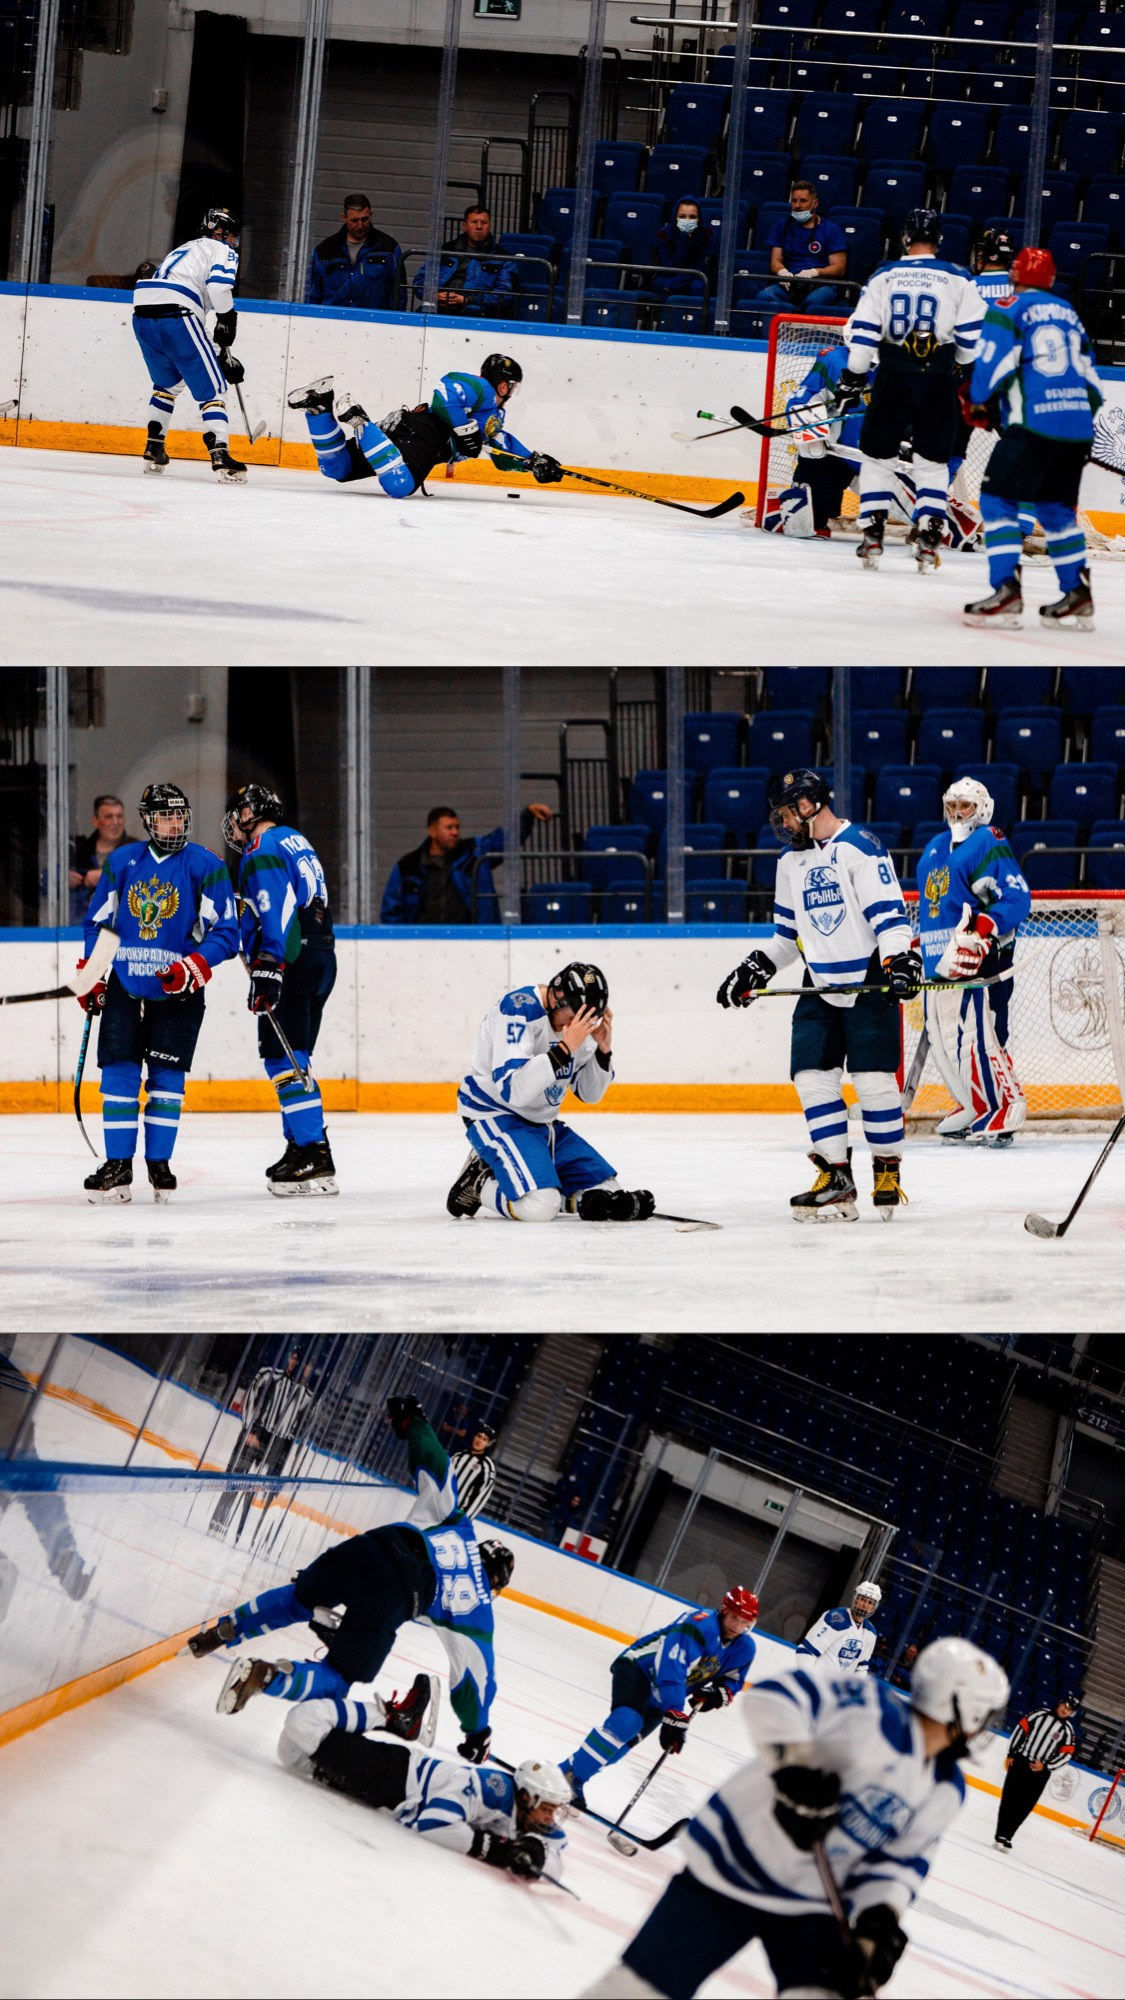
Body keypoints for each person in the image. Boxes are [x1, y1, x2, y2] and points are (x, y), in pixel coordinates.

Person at [581, 1636, 1010, 2000]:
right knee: (637, 1991)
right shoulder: (866, 1707)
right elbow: (773, 1696)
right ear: (962, 1708)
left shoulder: (945, 1787)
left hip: (811, 1902)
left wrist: (880, 1919)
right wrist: (794, 1768)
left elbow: (901, 1861)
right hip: (729, 1872)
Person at [191, 1395, 513, 1766]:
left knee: (299, 1599)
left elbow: (436, 1466)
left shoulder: (457, 1523)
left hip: (372, 1546)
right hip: (399, 1592)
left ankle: (224, 1630)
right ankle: (267, 1678)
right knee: (339, 1676)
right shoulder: (478, 1609)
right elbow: (473, 1680)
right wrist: (478, 1732)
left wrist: (415, 1424)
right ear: (494, 1581)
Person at [716, 769, 921, 1221]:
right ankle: (836, 1175)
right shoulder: (789, 864)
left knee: (872, 1083)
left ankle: (887, 1168)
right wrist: (755, 966)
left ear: (810, 804)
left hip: (869, 976)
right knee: (811, 1076)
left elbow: (890, 918)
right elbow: (787, 938)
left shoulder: (860, 847)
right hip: (820, 980)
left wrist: (900, 960)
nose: (784, 822)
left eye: (788, 812)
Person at [78, 783, 239, 1203]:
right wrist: (94, 974)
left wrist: (194, 966)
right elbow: (98, 923)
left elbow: (226, 931)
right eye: (165, 816)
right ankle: (118, 1167)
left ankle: (159, 1164)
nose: (174, 823)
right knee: (118, 1075)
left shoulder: (206, 864)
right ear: (148, 820)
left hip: (180, 990)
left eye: (179, 815)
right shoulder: (123, 861)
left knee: (167, 1078)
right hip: (126, 987)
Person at [445, 960, 655, 1225]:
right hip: (497, 1114)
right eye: (576, 1014)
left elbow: (589, 1094)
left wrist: (603, 1049)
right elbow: (513, 1091)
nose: (580, 1023)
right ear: (557, 996)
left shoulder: (579, 1021)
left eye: (589, 1017)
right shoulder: (519, 1009)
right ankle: (480, 1182)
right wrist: (566, 1047)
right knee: (541, 1207)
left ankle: (559, 1191)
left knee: (608, 1194)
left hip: (543, 1124)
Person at [962, 245, 1105, 633]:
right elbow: (1093, 382)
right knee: (1057, 510)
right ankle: (1078, 592)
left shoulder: (1008, 307)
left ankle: (1006, 588)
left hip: (1033, 424)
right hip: (1078, 426)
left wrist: (977, 403)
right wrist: (1074, 421)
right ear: (1053, 280)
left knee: (996, 499)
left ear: (1014, 276)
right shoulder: (1070, 314)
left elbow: (993, 364)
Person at [838, 208, 985, 571]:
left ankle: (873, 529)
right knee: (933, 461)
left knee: (877, 456)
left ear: (905, 237)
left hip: (893, 375)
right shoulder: (958, 278)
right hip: (937, 378)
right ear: (939, 239)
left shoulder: (884, 275)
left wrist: (853, 378)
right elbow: (970, 341)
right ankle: (930, 528)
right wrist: (958, 367)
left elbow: (864, 336)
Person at [278, 1701, 570, 1883]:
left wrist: (539, 1856)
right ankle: (391, 1718)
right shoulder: (492, 1789)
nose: (551, 1816)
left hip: (385, 1792)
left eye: (555, 1808)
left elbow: (557, 1853)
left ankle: (332, 1747)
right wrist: (499, 1851)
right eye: (547, 1806)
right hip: (391, 1773)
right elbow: (435, 1823)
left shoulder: (537, 1819)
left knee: (293, 1758)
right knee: (303, 1720)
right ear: (525, 1797)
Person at [222, 782, 338, 1194]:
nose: (234, 824)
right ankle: (298, 1146)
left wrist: (269, 965)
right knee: (297, 1055)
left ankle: (314, 1154)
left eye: (238, 813)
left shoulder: (261, 849)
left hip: (289, 959)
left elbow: (278, 906)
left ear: (251, 813)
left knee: (281, 1059)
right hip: (320, 956)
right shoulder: (294, 839)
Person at [560, 1587, 759, 1809]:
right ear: (724, 1610)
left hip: (667, 1694)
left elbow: (733, 1679)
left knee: (622, 1745)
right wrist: (675, 1710)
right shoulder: (700, 1624)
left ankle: (564, 1774)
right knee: (626, 1723)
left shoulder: (745, 1647)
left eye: (745, 1623)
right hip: (640, 1668)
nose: (737, 1626)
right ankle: (567, 1780)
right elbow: (672, 1666)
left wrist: (718, 1694)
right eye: (734, 1617)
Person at [914, 776, 1031, 1146]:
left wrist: (982, 929)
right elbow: (938, 906)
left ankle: (1005, 1105)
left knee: (984, 1033)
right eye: (952, 805)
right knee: (949, 1039)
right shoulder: (935, 846)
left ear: (982, 808)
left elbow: (1016, 898)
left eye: (965, 805)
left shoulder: (988, 840)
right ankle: (974, 1103)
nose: (957, 812)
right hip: (942, 961)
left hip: (982, 961)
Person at [286, 353, 564, 499]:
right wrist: (463, 430)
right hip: (425, 433)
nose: (512, 392)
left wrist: (532, 463)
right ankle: (360, 422)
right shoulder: (484, 390)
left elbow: (501, 449)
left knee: (338, 467)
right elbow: (444, 392)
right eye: (512, 386)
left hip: (405, 431)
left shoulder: (491, 414)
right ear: (504, 383)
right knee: (399, 486)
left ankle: (319, 407)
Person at [131, 206, 247, 483]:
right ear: (219, 231)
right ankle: (220, 454)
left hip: (143, 314)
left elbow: (191, 327)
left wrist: (219, 352)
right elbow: (219, 288)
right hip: (177, 314)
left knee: (167, 385)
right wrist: (227, 318)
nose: (233, 242)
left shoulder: (183, 250)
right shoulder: (221, 250)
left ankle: (154, 446)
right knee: (215, 389)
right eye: (230, 235)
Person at [0, 1341, 93, 1619]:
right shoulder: (15, 1392)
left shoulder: (12, 1394)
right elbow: (38, 1489)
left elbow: (35, 1485)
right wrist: (66, 1558)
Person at [380, 801, 554, 925]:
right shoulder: (408, 866)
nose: (456, 832)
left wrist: (527, 814)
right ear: (432, 831)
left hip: (471, 941)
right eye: (449, 827)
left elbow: (504, 839)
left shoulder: (474, 852)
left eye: (457, 827)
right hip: (423, 944)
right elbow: (392, 912)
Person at [209, 1345, 307, 1539]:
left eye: (298, 1360)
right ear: (287, 1357)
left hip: (270, 1440)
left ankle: (236, 1531)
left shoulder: (298, 1391)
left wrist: (290, 1452)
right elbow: (251, 1397)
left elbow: (294, 1425)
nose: (294, 1363)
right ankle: (217, 1522)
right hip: (256, 1432)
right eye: (292, 1358)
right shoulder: (268, 1374)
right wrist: (249, 1429)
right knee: (236, 1478)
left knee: (252, 1486)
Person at [994, 1694, 1079, 1850]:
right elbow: (1020, 1730)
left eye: (1070, 1710)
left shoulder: (1067, 1731)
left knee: (1025, 1806)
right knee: (1009, 1799)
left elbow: (1066, 1754)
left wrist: (1046, 1766)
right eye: (1065, 1706)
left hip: (1040, 1772)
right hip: (1021, 1762)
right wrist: (1011, 1754)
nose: (1066, 1711)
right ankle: (1000, 1834)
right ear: (1059, 1703)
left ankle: (1008, 1835)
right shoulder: (1039, 1714)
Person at [757, 180, 848, 316]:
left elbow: (839, 268)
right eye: (794, 201)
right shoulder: (783, 225)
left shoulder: (831, 230)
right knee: (764, 296)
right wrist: (782, 272)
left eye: (803, 201)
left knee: (813, 302)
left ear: (815, 203)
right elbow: (775, 261)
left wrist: (815, 272)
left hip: (821, 284)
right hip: (791, 283)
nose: (797, 206)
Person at [413, 204, 518, 317]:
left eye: (484, 222)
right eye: (474, 222)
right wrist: (434, 295)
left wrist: (467, 300)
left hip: (478, 314)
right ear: (465, 226)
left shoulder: (502, 257)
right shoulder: (446, 250)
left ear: (490, 225)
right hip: (438, 309)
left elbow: (505, 296)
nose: (479, 226)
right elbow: (421, 281)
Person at [304, 193, 403, 311]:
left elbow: (398, 294)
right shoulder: (324, 251)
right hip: (332, 321)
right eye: (354, 220)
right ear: (344, 218)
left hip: (374, 322)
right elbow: (312, 295)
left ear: (371, 215)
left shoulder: (389, 248)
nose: (360, 225)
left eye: (365, 219)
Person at [796, 1580, 881, 1674]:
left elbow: (861, 1667)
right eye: (862, 1599)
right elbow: (806, 1651)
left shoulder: (870, 1633)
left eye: (870, 1603)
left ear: (873, 1608)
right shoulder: (835, 1618)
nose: (865, 1605)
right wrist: (808, 1682)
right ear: (855, 1599)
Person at [69, 795, 131, 921]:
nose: (115, 822)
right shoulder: (79, 851)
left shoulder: (136, 850)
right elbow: (45, 882)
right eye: (109, 817)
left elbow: (151, 878)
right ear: (95, 821)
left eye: (119, 817)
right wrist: (64, 878)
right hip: (77, 931)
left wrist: (108, 876)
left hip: (121, 929)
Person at [651, 199, 718, 304]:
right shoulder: (664, 234)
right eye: (682, 216)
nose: (687, 221)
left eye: (692, 217)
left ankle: (696, 319)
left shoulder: (708, 234)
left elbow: (702, 267)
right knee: (662, 284)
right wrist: (683, 240)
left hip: (698, 275)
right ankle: (666, 319)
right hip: (670, 274)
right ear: (675, 217)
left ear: (699, 218)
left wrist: (677, 282)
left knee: (697, 286)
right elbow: (670, 268)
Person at [448, 1421, 498, 1520]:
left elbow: (482, 1497)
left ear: (488, 1444)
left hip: (457, 1515)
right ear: (474, 1436)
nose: (479, 1440)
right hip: (440, 1507)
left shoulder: (487, 1467)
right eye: (479, 1436)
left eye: (484, 1439)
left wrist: (465, 1519)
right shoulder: (458, 1456)